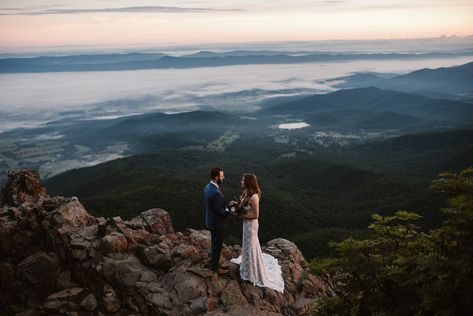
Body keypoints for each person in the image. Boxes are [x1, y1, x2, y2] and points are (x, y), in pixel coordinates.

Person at [230, 174, 285, 293]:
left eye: (243, 180)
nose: (241, 181)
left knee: (251, 245)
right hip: (246, 224)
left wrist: (241, 215)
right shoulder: (246, 193)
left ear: (248, 182)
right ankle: (248, 266)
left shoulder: (254, 197)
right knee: (247, 244)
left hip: (251, 225)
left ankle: (252, 272)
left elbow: (256, 215)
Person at [204, 167, 230, 274]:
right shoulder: (215, 192)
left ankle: (213, 262)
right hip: (217, 223)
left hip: (210, 221)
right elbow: (221, 212)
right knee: (217, 244)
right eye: (222, 176)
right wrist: (229, 210)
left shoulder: (208, 187)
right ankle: (215, 267)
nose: (223, 177)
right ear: (216, 177)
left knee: (214, 243)